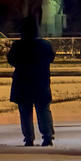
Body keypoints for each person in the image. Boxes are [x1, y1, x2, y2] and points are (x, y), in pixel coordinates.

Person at [6, 15, 55, 147]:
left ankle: (29, 138)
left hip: (23, 83)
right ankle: (48, 136)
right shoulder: (45, 45)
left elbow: (11, 60)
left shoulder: (18, 46)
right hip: (41, 82)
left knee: (25, 111)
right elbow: (51, 58)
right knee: (43, 109)